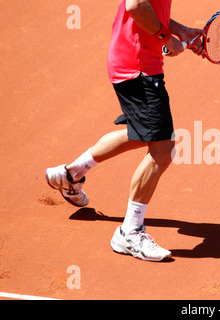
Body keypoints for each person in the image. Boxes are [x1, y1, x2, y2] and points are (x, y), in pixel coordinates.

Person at [45, 0, 205, 262]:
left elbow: (152, 6)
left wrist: (181, 30)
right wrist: (167, 37)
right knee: (162, 149)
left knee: (141, 133)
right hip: (138, 68)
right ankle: (129, 232)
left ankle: (70, 174)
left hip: (138, 62)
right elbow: (136, 5)